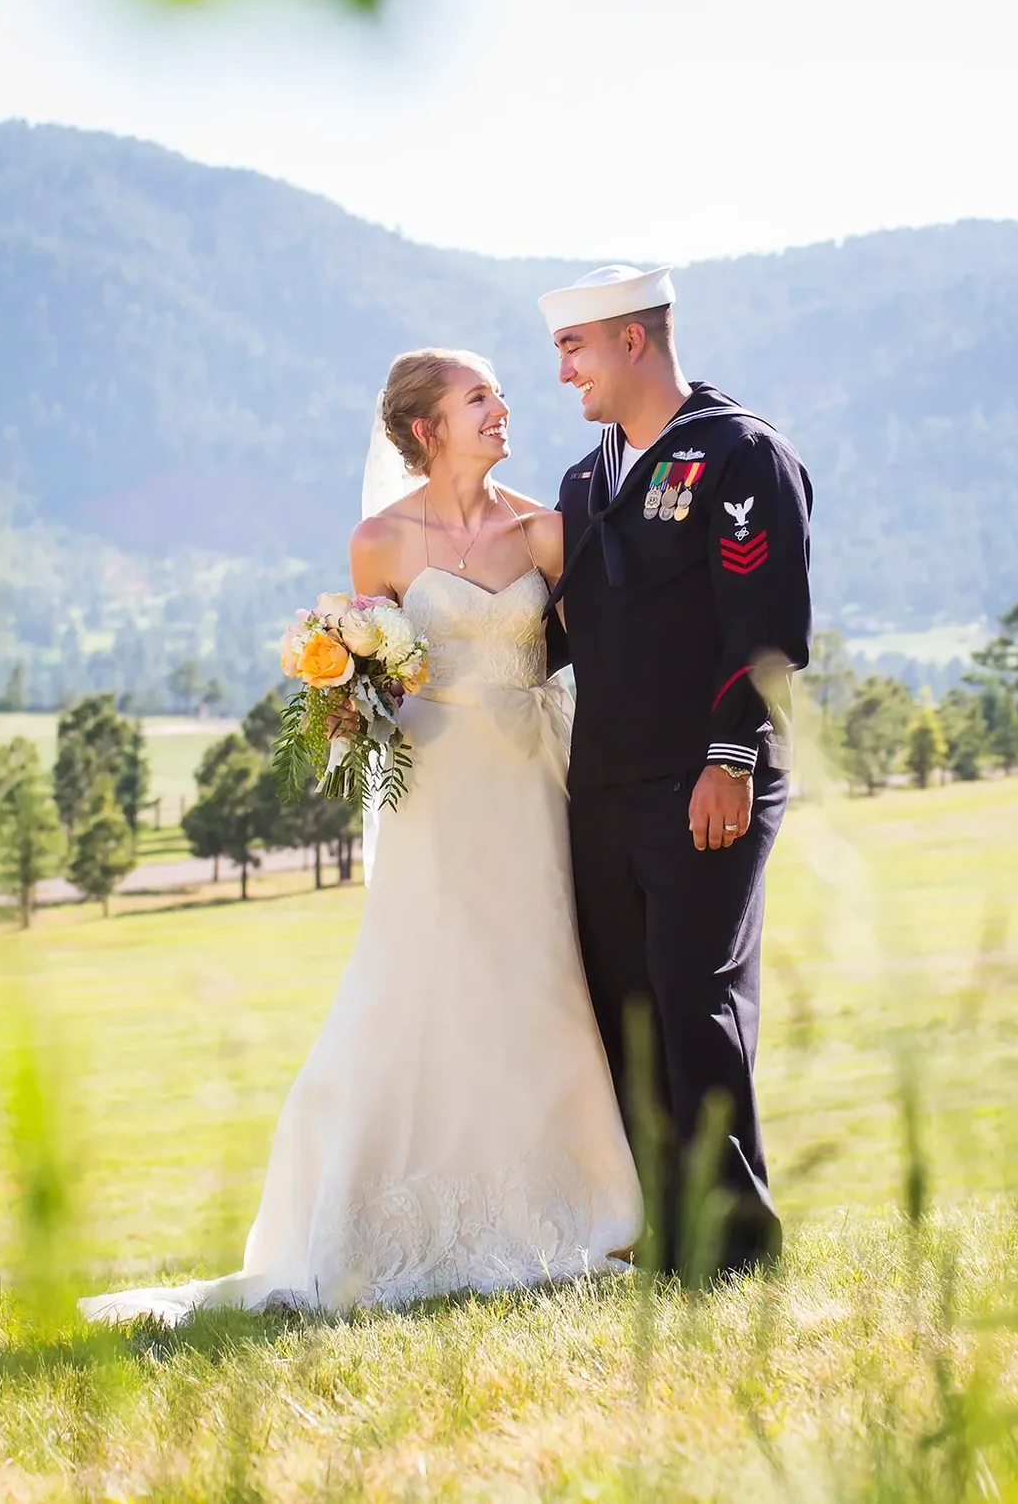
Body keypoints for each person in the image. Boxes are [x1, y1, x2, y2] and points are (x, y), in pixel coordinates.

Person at [80, 348, 640, 1324]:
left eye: (498, 394)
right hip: (432, 797)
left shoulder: (546, 531)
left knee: (538, 975)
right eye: (480, 398)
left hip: (526, 786)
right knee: (425, 981)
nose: (504, 408)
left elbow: (595, 642)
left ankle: (570, 1204)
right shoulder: (379, 543)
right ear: (427, 429)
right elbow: (371, 673)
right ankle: (379, 1217)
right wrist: (343, 702)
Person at [544, 264, 814, 1280]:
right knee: (627, 1009)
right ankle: (670, 1231)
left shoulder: (738, 452)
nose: (562, 371)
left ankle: (738, 1245)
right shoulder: (584, 479)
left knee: (694, 997)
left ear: (630, 341)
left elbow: (765, 629)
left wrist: (730, 754)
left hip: (708, 775)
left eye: (574, 348)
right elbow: (567, 630)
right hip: (603, 784)